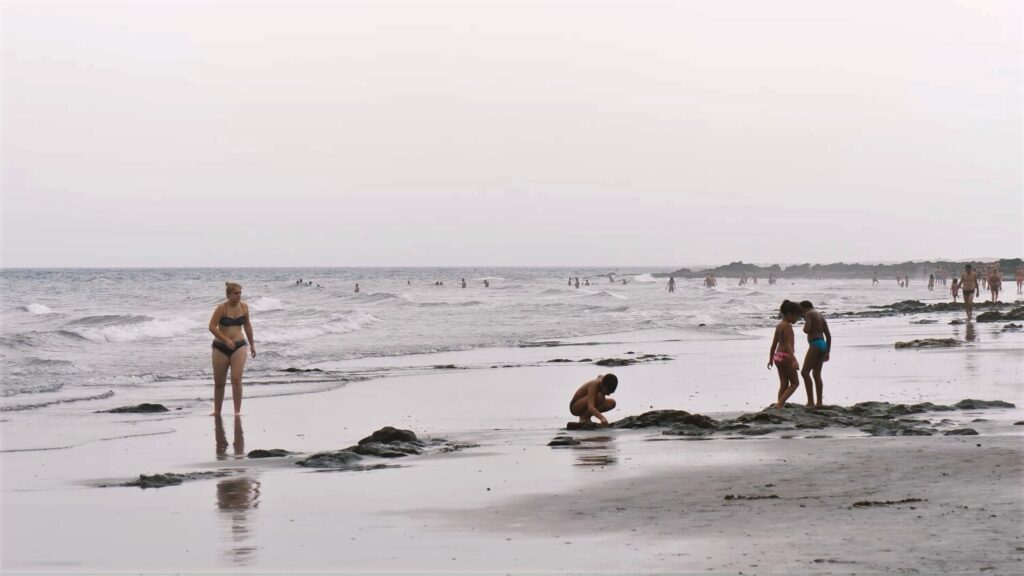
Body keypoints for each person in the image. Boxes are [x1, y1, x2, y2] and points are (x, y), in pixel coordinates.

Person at [208, 282, 256, 416]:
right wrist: (226, 340)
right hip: (220, 347)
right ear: (229, 295)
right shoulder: (221, 308)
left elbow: (247, 326)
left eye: (240, 293)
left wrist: (252, 345)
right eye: (236, 293)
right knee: (219, 382)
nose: (239, 296)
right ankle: (217, 412)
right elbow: (212, 326)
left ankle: (237, 412)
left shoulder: (244, 307)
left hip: (239, 346)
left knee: (236, 379)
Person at [767, 300, 802, 409]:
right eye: (796, 316)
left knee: (783, 383)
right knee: (795, 383)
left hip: (778, 356)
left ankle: (779, 404)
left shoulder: (779, 325)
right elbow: (787, 345)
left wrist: (771, 359)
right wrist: (794, 360)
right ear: (789, 314)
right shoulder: (787, 326)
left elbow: (773, 344)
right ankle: (780, 404)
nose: (798, 318)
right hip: (786, 357)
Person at [799, 301, 831, 407]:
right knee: (816, 374)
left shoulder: (809, 314)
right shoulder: (820, 315)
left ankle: (810, 402)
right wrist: (827, 352)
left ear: (804, 308)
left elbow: (807, 329)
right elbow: (828, 335)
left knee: (804, 372)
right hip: (822, 344)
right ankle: (819, 402)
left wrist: (804, 325)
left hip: (815, 344)